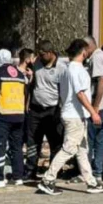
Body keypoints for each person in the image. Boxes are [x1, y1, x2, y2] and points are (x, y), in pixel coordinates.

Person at [36, 39, 103, 196]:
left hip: (75, 115)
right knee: (69, 149)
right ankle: (48, 180)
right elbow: (80, 93)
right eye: (87, 50)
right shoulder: (76, 70)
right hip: (74, 116)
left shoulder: (67, 69)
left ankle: (91, 181)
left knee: (82, 149)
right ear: (83, 51)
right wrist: (93, 112)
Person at [0, 48, 27, 187]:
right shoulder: (20, 75)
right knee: (16, 147)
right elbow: (25, 93)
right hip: (19, 115)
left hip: (3, 115)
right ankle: (18, 176)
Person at [25, 40, 68, 179]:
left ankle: (54, 171)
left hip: (52, 110)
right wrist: (27, 102)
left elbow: (64, 91)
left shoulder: (61, 68)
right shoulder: (36, 63)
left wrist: (60, 110)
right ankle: (31, 169)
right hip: (36, 109)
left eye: (43, 54)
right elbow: (31, 85)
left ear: (50, 53)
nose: (40, 56)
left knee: (55, 141)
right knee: (32, 141)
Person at [84, 36, 103, 183]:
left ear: (88, 47)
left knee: (90, 140)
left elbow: (101, 81)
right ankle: (98, 172)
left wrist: (95, 106)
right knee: (100, 140)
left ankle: (89, 171)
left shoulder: (96, 58)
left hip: (100, 106)